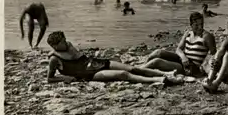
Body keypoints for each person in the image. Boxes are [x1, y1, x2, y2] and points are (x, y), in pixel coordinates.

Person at [46, 31, 188, 85]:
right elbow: (49, 79)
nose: (66, 42)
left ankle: (166, 73)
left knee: (133, 68)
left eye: (65, 40)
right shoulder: (54, 59)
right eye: (62, 42)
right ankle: (158, 79)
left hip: (94, 62)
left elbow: (75, 55)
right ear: (55, 46)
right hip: (89, 74)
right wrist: (64, 78)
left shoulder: (68, 45)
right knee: (123, 74)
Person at [143, 12, 217, 78]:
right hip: (182, 60)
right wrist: (183, 57)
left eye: (201, 24)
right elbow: (178, 49)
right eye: (196, 25)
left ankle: (137, 70)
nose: (200, 27)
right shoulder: (188, 33)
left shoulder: (207, 36)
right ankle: (142, 67)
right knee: (158, 52)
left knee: (157, 62)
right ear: (191, 25)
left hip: (190, 67)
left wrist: (206, 67)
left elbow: (215, 54)